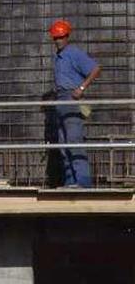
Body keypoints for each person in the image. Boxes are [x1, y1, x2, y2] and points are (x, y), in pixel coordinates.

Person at [49, 19, 101, 188]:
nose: (58, 40)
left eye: (61, 37)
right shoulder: (57, 57)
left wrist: (81, 88)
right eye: (56, 38)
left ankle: (83, 182)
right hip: (60, 99)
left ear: (67, 37)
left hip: (71, 98)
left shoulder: (74, 53)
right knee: (64, 143)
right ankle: (71, 181)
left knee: (73, 140)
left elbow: (95, 69)